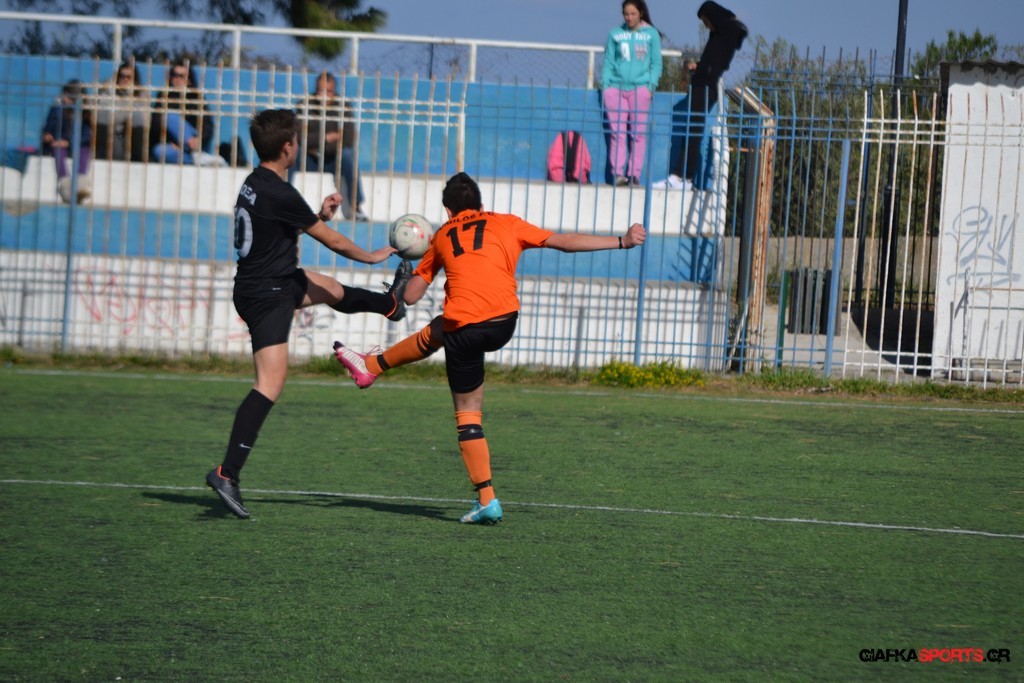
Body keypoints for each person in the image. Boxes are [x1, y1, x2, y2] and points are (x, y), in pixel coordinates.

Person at [334, 172, 647, 524]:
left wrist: (407, 274)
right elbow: (564, 241)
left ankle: (487, 500)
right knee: (441, 326)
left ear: (448, 210)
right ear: (481, 205)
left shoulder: (442, 236)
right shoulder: (507, 223)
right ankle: (373, 366)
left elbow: (410, 297)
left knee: (468, 414)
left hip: (467, 330)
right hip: (503, 322)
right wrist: (621, 241)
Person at [205, 108, 414, 518]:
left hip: (270, 281)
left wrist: (316, 215)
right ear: (288, 147)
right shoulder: (280, 192)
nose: (299, 146)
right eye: (297, 141)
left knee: (332, 289)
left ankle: (391, 304)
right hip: (268, 293)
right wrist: (371, 256)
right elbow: (332, 241)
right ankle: (227, 473)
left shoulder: (256, 183)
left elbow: (280, 224)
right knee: (269, 384)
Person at [653, 1, 747, 190]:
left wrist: (702, 69)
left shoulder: (724, 35)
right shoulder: (720, 35)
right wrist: (699, 66)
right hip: (703, 85)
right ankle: (682, 176)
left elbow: (715, 65)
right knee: (692, 130)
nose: (706, 25)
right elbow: (712, 63)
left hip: (705, 87)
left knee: (693, 131)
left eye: (706, 20)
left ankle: (683, 176)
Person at [601, 0, 662, 187]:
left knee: (637, 134)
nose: (629, 18)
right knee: (617, 133)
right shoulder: (615, 34)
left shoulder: (651, 34)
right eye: (626, 14)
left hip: (640, 88)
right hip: (615, 88)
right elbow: (609, 61)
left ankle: (634, 174)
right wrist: (606, 86)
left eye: (633, 14)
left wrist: (650, 86)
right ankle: (618, 174)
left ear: (640, 13)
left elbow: (656, 63)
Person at [296, 71, 369, 222]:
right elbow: (300, 138)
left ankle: (356, 207)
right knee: (293, 153)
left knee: (348, 155)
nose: (324, 96)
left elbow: (348, 139)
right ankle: (281, 203)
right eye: (321, 91)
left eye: (328, 91)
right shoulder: (305, 105)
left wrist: (318, 144)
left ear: (334, 91)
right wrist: (327, 138)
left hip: (333, 160)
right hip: (310, 159)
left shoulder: (343, 106)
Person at [150, 60, 223, 166]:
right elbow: (156, 123)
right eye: (175, 75)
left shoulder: (196, 97)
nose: (178, 79)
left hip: (195, 141)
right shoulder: (164, 96)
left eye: (182, 76)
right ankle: (196, 159)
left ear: (189, 79)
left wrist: (199, 140)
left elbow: (207, 124)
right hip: (173, 145)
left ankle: (196, 153)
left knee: (169, 117)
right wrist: (175, 142)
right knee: (159, 151)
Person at [41, 79, 93, 203]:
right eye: (65, 94)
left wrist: (69, 142)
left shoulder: (85, 112)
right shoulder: (57, 109)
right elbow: (48, 126)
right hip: (59, 144)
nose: (65, 98)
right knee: (58, 152)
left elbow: (87, 135)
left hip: (78, 144)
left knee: (85, 152)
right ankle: (65, 188)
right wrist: (47, 135)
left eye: (69, 95)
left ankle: (80, 187)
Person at [93, 60, 151, 162]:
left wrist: (129, 95)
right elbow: (101, 117)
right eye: (121, 76)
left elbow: (145, 122)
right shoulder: (108, 93)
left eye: (128, 77)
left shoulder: (142, 95)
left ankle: (138, 162)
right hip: (113, 134)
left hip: (132, 137)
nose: (125, 79)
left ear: (135, 79)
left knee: (137, 117)